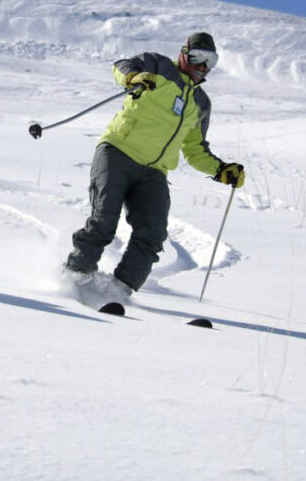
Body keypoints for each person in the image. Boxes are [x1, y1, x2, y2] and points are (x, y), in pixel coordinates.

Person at [64, 32, 245, 301]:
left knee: (153, 232)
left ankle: (116, 292)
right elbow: (120, 66)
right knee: (104, 220)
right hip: (118, 152)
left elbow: (194, 149)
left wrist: (220, 170)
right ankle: (74, 277)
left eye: (211, 61)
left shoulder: (201, 103)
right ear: (184, 53)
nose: (203, 66)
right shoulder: (158, 65)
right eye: (198, 57)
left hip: (154, 171)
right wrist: (133, 78)